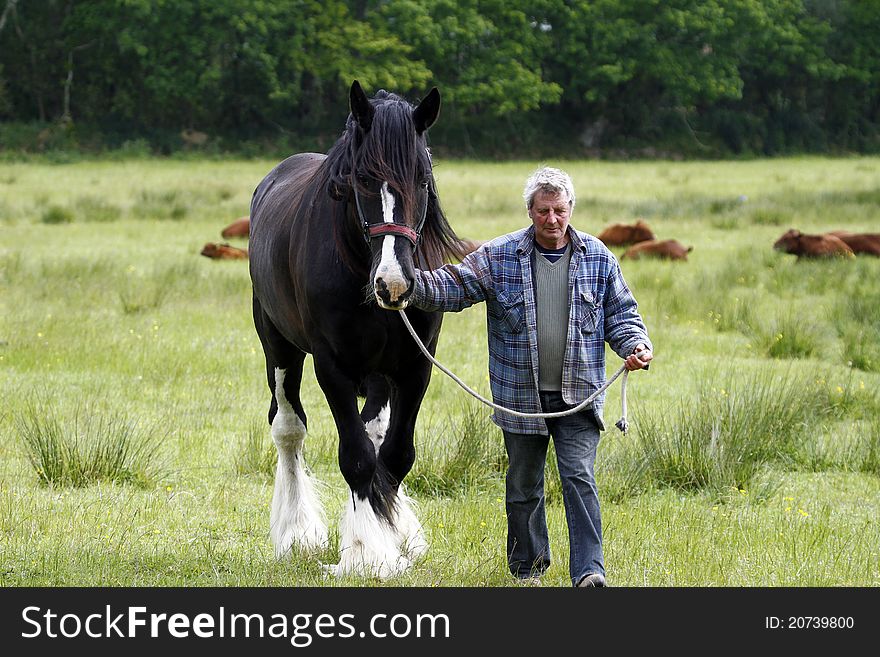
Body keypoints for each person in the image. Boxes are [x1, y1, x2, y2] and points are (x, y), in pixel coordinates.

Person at [407, 166, 653, 587]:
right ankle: (528, 571)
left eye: (559, 210)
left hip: (579, 396)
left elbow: (622, 315)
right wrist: (406, 284)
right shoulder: (499, 255)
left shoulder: (599, 257)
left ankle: (590, 573)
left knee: (579, 478)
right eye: (543, 211)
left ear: (571, 209)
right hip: (519, 398)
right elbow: (455, 285)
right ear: (529, 211)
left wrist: (635, 345)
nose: (552, 219)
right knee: (523, 486)